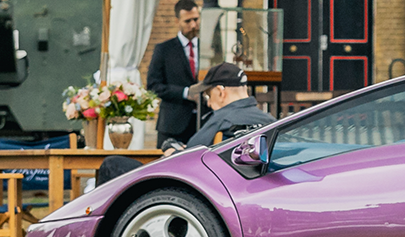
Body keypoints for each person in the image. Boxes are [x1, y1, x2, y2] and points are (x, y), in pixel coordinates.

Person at [97, 62, 273, 184]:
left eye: (207, 96)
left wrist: (172, 149)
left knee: (111, 164)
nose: (209, 103)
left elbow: (185, 161)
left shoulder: (222, 120)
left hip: (186, 191)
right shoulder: (271, 123)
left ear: (220, 92)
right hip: (240, 191)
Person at [147, 0, 202, 147]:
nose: (193, 25)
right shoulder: (163, 50)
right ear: (177, 21)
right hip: (172, 125)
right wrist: (186, 93)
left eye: (196, 19)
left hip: (204, 124)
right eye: (187, 21)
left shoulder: (209, 48)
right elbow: (153, 85)